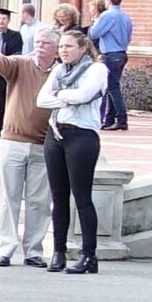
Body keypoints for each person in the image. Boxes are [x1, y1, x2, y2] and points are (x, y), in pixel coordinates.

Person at [0, 21, 54, 266]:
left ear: (56, 48)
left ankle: (33, 250)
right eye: (38, 42)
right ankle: (5, 248)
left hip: (43, 144)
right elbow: (4, 63)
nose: (40, 47)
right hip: (13, 141)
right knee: (8, 198)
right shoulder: (21, 64)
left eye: (46, 44)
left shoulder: (60, 73)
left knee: (39, 202)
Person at [41, 24, 111, 273]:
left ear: (83, 48)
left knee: (81, 197)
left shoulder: (96, 69)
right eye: (60, 46)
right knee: (58, 198)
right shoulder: (59, 70)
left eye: (68, 46)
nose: (63, 51)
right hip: (56, 133)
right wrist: (66, 94)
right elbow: (41, 99)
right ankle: (58, 251)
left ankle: (89, 255)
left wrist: (60, 95)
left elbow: (85, 95)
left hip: (81, 136)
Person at [90, 0, 134, 128]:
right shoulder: (125, 17)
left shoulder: (107, 15)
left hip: (110, 53)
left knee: (112, 87)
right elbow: (128, 37)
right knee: (111, 87)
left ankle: (121, 119)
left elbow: (94, 33)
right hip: (121, 52)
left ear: (108, 0)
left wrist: (95, 23)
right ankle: (109, 120)